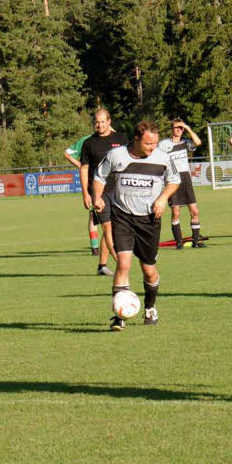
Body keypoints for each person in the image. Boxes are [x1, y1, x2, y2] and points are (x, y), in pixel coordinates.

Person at [92, 121, 180, 331]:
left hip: (149, 220)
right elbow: (99, 176)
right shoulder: (117, 156)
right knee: (123, 264)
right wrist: (97, 196)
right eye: (149, 144)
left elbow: (174, 180)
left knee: (149, 271)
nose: (152, 148)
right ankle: (118, 315)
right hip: (122, 216)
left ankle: (150, 308)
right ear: (137, 139)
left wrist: (163, 198)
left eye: (155, 143)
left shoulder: (162, 158)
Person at [80, 109, 130, 276]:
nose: (99, 125)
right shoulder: (88, 143)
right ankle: (121, 265)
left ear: (109, 122)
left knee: (116, 226)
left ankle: (102, 266)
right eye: (97, 122)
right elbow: (84, 168)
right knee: (108, 228)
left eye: (102, 122)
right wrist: (86, 194)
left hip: (120, 190)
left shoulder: (121, 139)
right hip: (99, 193)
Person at [158, 119, 205, 249]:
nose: (178, 130)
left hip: (185, 178)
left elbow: (198, 142)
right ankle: (179, 242)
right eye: (176, 127)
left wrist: (188, 128)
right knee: (176, 212)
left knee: (194, 211)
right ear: (171, 129)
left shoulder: (186, 142)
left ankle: (196, 241)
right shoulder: (163, 144)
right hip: (172, 179)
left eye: (181, 128)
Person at [64, 131, 100, 256]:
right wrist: (80, 164)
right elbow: (67, 153)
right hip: (92, 181)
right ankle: (95, 248)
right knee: (93, 215)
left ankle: (111, 245)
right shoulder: (86, 140)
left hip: (110, 182)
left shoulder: (113, 138)